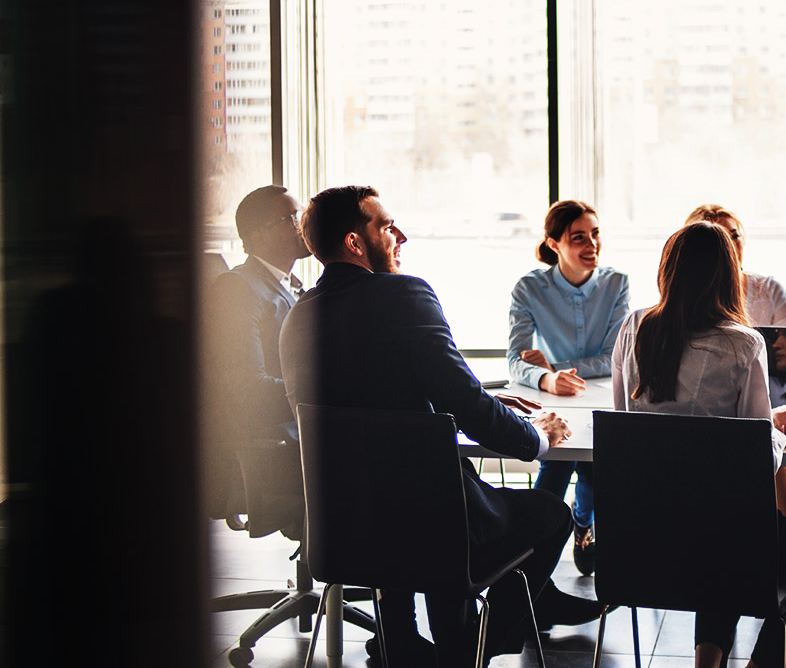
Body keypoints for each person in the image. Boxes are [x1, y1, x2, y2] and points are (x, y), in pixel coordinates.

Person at [279, 185, 605, 666]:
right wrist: (537, 436)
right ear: (354, 242)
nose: (400, 235)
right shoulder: (404, 294)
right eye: (387, 226)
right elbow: (466, 408)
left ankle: (401, 643)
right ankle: (474, 646)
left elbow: (374, 394)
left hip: (343, 525)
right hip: (431, 524)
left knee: (419, 510)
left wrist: (473, 399)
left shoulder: (298, 317)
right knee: (549, 515)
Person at [611, 222, 786, 668]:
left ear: (667, 269)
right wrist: (772, 429)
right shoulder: (743, 344)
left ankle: (708, 659)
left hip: (644, 537)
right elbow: (756, 461)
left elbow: (624, 426)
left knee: (718, 526)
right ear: (727, 275)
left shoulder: (633, 327)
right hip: (720, 537)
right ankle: (761, 663)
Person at [507, 199, 630, 576]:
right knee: (558, 463)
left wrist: (554, 369)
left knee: (594, 461)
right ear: (554, 243)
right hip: (551, 400)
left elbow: (614, 357)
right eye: (578, 237)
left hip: (602, 398)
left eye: (595, 234)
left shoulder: (616, 283)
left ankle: (579, 526)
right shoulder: (529, 288)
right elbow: (516, 360)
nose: (591, 244)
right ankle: (535, 557)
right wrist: (544, 380)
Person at [201, 185, 313, 529]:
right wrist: (322, 395)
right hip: (274, 450)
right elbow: (249, 389)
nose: (302, 223)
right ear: (258, 235)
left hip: (300, 437)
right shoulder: (238, 288)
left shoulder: (290, 286)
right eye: (290, 217)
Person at [685, 204, 786, 522]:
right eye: (716, 239)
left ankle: (782, 536)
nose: (727, 244)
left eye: (733, 235)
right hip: (730, 422)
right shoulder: (744, 340)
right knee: (768, 449)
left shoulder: (767, 289)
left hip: (770, 397)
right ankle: (782, 545)